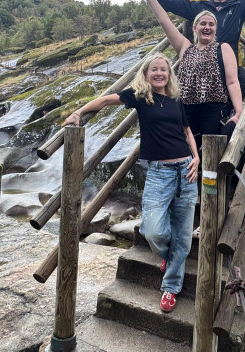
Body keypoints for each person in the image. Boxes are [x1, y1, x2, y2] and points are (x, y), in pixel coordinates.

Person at [62, 54, 198, 313]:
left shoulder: (175, 100)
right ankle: (168, 255)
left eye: (163, 69)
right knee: (153, 230)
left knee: (183, 236)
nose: (159, 73)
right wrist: (78, 112)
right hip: (159, 173)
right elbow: (105, 100)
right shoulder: (140, 97)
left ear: (169, 74)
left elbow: (186, 131)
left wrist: (197, 158)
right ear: (146, 74)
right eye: (154, 69)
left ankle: (171, 287)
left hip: (186, 171)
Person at [141, 0, 243, 147]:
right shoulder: (185, 47)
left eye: (211, 24)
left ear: (215, 29)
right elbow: (164, 21)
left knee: (212, 151)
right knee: (186, 152)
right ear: (195, 28)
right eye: (203, 23)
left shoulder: (223, 48)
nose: (207, 27)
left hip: (215, 110)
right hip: (186, 110)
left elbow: (232, 82)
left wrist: (239, 112)